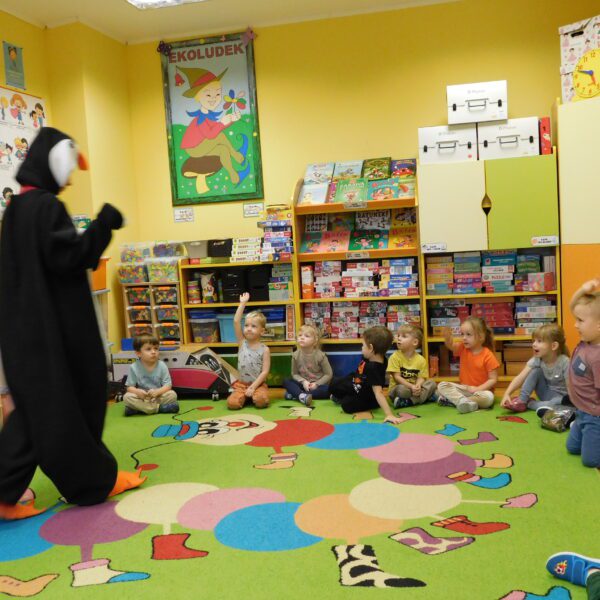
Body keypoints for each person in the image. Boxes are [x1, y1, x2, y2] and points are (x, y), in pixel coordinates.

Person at [0, 127, 145, 520]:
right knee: (74, 402)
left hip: (25, 331)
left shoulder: (16, 209)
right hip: (56, 332)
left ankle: (5, 493)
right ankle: (93, 482)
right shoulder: (45, 206)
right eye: (69, 169)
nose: (70, 179)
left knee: (35, 413)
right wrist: (104, 223)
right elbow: (72, 257)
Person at [329, 325, 403, 424]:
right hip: (356, 380)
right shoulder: (375, 357)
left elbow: (378, 392)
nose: (361, 348)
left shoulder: (373, 367)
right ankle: (341, 395)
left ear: (371, 348)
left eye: (363, 345)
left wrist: (389, 414)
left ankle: (342, 398)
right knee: (334, 384)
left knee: (346, 406)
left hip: (363, 393)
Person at [565, 279, 600, 468]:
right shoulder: (587, 341)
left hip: (595, 416)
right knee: (572, 448)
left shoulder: (597, 357)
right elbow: (574, 306)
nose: (575, 325)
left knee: (590, 461)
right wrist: (582, 289)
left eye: (580, 321)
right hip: (581, 411)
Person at [501, 324, 570, 412]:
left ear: (554, 346)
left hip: (561, 398)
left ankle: (530, 403)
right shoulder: (537, 360)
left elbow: (571, 387)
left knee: (559, 405)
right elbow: (520, 377)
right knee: (536, 371)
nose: (534, 344)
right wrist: (507, 394)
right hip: (545, 394)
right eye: (534, 341)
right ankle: (522, 400)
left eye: (539, 341)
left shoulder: (565, 362)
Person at [437, 316, 499, 413]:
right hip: (464, 390)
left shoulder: (488, 355)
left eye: (468, 334)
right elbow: (451, 346)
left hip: (481, 392)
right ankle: (463, 401)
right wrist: (447, 338)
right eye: (462, 334)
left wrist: (477, 389)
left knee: (489, 398)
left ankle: (457, 401)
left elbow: (493, 379)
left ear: (481, 337)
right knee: (442, 385)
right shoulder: (463, 348)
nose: (464, 338)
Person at [226, 293, 271, 410]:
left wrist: (253, 387)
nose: (249, 329)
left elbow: (265, 372)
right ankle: (245, 397)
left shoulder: (265, 349)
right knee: (232, 403)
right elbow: (236, 321)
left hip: (258, 385)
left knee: (261, 401)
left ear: (262, 331)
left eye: (253, 326)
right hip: (241, 385)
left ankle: (252, 396)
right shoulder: (242, 343)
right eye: (246, 325)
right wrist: (243, 303)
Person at [123, 335, 179, 416]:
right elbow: (129, 387)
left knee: (172, 395)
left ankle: (139, 409)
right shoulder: (134, 367)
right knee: (127, 397)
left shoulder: (162, 365)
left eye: (156, 348)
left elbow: (168, 385)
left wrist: (158, 392)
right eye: (148, 349)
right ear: (138, 353)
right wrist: (138, 392)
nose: (153, 352)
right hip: (142, 398)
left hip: (157, 397)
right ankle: (159, 409)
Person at [387, 325, 437, 408]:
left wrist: (418, 386)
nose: (399, 338)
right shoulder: (394, 357)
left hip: (414, 390)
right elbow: (397, 377)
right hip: (400, 389)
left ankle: (409, 401)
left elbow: (421, 377)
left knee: (432, 383)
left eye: (404, 336)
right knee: (402, 390)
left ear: (415, 342)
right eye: (398, 336)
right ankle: (424, 397)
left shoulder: (421, 359)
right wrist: (411, 386)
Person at [283, 324, 333, 406]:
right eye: (300, 335)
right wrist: (303, 382)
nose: (302, 338)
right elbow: (294, 374)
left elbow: (328, 374)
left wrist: (316, 384)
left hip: (318, 386)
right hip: (303, 384)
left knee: (329, 389)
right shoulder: (295, 355)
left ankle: (296, 394)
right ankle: (301, 395)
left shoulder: (321, 356)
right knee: (286, 381)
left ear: (315, 341)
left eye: (307, 336)